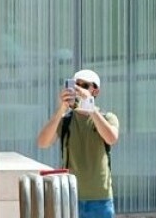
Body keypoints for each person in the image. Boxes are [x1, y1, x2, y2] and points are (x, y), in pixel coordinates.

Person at [35, 68, 120, 218]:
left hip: (100, 198)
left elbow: (111, 138)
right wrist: (61, 108)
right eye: (76, 86)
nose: (80, 91)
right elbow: (42, 142)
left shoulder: (107, 117)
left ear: (95, 91)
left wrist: (91, 108)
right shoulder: (66, 121)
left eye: (85, 86)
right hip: (70, 197)